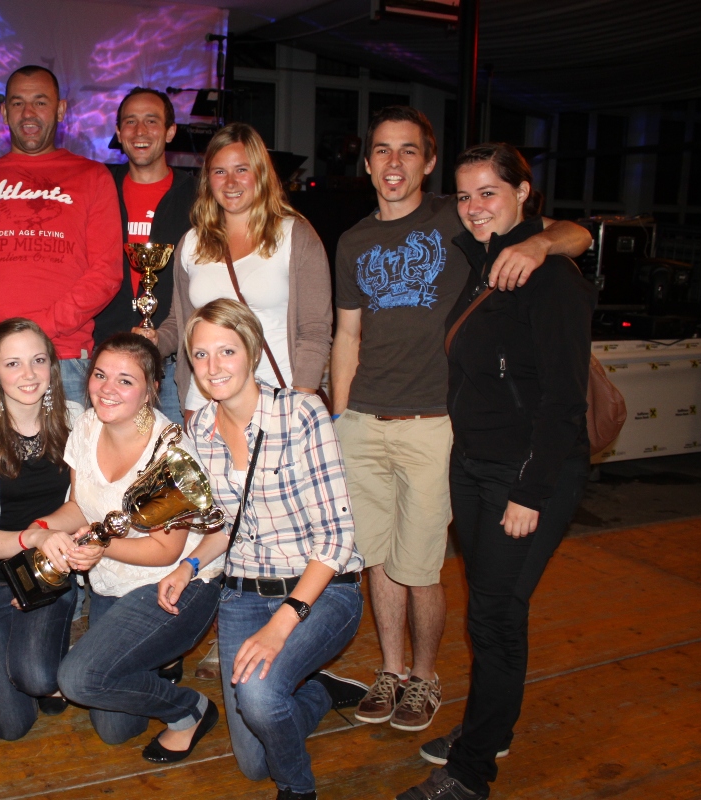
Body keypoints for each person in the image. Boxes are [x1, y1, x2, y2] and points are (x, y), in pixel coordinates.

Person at [330, 106, 592, 734]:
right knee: (377, 559)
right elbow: (347, 336)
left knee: (421, 564)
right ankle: (391, 670)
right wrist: (339, 420)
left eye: (409, 150)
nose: (395, 162)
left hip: (434, 423)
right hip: (363, 421)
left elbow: (577, 234)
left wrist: (537, 242)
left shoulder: (462, 215)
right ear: (367, 163)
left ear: (428, 162)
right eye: (382, 150)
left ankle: (425, 677)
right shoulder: (353, 240)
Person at [398, 144, 596, 800]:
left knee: (494, 615)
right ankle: (492, 726)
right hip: (474, 465)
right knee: (491, 611)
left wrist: (530, 492)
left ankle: (472, 770)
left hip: (528, 474)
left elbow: (564, 401)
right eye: (465, 195)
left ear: (523, 193)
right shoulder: (478, 262)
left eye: (489, 192)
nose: (475, 206)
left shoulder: (550, 278)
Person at [167, 298, 364, 800]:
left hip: (321, 589)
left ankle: (297, 789)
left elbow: (337, 537)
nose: (213, 366)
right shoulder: (200, 431)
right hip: (244, 593)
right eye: (201, 354)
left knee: (259, 697)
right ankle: (317, 693)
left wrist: (281, 626)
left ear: (252, 351)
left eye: (227, 351)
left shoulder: (300, 413)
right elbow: (227, 525)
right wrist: (190, 565)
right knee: (254, 761)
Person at [46, 333, 221, 760]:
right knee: (115, 729)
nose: (107, 389)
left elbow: (165, 552)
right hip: (110, 584)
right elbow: (77, 506)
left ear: (150, 390)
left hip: (172, 584)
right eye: (100, 375)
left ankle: (191, 710)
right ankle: (153, 656)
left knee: (79, 680)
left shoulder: (171, 450)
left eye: (125, 380)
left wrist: (101, 547)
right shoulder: (87, 425)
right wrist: (40, 530)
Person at [0, 65, 122, 413]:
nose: (28, 113)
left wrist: (39, 331)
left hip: (61, 357)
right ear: (4, 112)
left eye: (40, 102)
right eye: (18, 103)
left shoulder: (93, 177)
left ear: (60, 109)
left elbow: (105, 273)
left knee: (68, 452)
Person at [0, 318, 92, 740]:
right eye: (13, 363)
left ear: (53, 365)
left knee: (35, 677)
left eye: (38, 360)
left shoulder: (77, 419)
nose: (29, 374)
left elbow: (82, 508)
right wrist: (33, 537)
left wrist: (40, 542)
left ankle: (50, 650)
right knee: (11, 726)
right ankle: (35, 649)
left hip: (51, 571)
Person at [155, 122, 332, 418]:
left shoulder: (295, 236)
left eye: (241, 170)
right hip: (205, 404)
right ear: (207, 179)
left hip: (278, 399)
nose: (230, 182)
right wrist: (153, 342)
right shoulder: (191, 243)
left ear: (260, 173)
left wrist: (298, 403)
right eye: (219, 172)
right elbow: (180, 323)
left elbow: (315, 331)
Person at [92, 87, 195, 423]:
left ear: (170, 131)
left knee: (172, 455)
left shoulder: (197, 196)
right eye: (130, 122)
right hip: (104, 358)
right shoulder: (99, 187)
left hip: (170, 365)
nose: (140, 131)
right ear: (118, 132)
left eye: (151, 121)